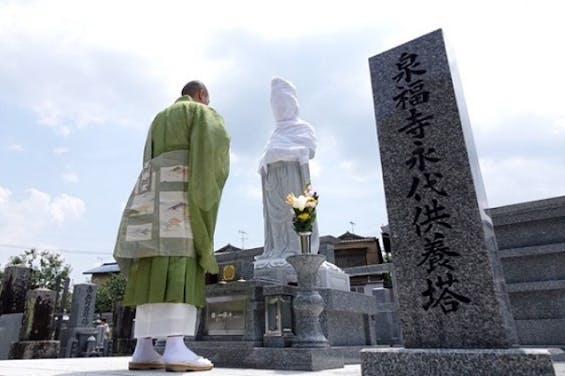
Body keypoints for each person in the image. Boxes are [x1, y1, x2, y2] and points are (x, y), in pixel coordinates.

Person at [113, 80, 230, 372]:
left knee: (148, 262)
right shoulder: (201, 113)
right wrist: (208, 190)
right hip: (181, 188)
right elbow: (213, 151)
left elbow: (146, 157)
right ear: (201, 95)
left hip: (150, 192)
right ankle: (176, 347)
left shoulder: (159, 117)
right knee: (180, 259)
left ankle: (143, 348)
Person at [254, 77, 319, 284]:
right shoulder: (275, 133)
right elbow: (265, 157)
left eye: (283, 104)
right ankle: (277, 249)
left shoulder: (303, 127)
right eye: (276, 105)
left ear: (292, 104)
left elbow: (309, 151)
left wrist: (279, 153)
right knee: (276, 220)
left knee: (293, 214)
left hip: (292, 178)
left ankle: (296, 250)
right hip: (273, 182)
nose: (279, 109)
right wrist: (267, 158)